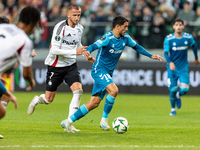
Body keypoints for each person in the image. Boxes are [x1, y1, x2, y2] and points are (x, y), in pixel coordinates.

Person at [60, 15, 163, 133]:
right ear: (117, 27)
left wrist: (151, 56)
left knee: (94, 103)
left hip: (108, 73)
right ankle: (104, 121)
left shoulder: (126, 38)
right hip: (99, 70)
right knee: (114, 90)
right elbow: (94, 45)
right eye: (125, 27)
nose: (127, 29)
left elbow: (137, 47)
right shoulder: (107, 38)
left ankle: (68, 121)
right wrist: (88, 51)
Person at [27, 4, 88, 132]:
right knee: (49, 99)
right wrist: (74, 52)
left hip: (71, 65)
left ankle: (69, 123)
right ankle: (37, 100)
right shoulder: (60, 27)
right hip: (56, 66)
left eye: (79, 15)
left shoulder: (80, 28)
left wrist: (83, 51)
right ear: (68, 15)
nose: (77, 18)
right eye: (74, 15)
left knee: (78, 91)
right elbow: (54, 49)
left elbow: (77, 43)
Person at [0, 6, 41, 107]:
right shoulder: (25, 41)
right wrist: (31, 82)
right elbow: (26, 74)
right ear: (33, 24)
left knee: (5, 98)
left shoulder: (3, 27)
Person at [163, 18, 199, 116]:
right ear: (173, 26)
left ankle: (179, 95)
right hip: (172, 69)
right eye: (176, 25)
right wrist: (170, 62)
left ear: (183, 26)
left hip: (183, 68)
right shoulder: (169, 39)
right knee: (173, 90)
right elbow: (166, 53)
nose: (178, 27)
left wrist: (196, 58)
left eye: (180, 25)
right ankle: (172, 109)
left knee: (184, 89)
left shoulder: (188, 37)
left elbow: (194, 46)